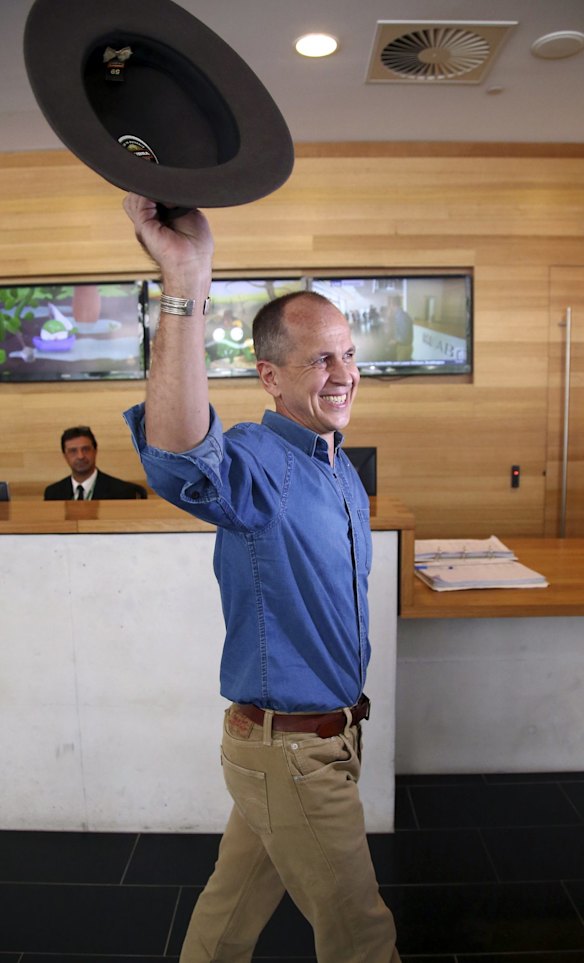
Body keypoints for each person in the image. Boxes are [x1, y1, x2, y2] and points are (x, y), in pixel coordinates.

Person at [122, 193, 401, 963]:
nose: (343, 373)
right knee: (364, 935)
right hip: (291, 751)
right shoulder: (256, 461)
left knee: (228, 914)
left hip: (314, 740)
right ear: (269, 375)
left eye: (347, 352)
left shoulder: (339, 468)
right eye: (320, 358)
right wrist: (185, 276)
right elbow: (179, 457)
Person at [44, 426, 147, 500]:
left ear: (95, 451)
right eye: (73, 451)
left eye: (85, 449)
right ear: (65, 455)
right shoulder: (53, 493)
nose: (80, 456)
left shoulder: (125, 492)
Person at [387, 296, 414, 362]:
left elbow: (404, 336)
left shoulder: (401, 316)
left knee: (402, 369)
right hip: (404, 347)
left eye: (390, 304)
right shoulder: (400, 315)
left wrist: (395, 340)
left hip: (404, 348)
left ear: (392, 304)